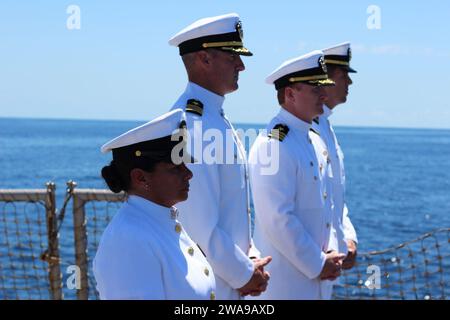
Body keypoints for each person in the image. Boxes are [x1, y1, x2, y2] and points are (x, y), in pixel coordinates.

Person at [168, 13, 271, 299]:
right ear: (204, 59)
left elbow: (231, 213)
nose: (242, 65)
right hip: (211, 289)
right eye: (232, 57)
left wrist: (250, 259)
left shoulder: (211, 116)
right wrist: (246, 274)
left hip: (227, 282)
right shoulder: (192, 123)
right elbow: (198, 224)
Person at [248, 51, 346, 299]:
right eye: (315, 89)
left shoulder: (313, 139)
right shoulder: (273, 144)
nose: (324, 95)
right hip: (285, 286)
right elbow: (278, 217)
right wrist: (318, 263)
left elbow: (328, 208)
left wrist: (332, 252)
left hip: (318, 281)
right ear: (290, 94)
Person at [93, 109, 216, 300]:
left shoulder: (158, 223)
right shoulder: (130, 240)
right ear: (140, 178)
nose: (189, 174)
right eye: (176, 168)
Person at [313, 42, 358, 270]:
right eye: (343, 75)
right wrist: (317, 261)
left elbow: (334, 196)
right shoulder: (306, 129)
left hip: (327, 261)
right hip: (304, 268)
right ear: (326, 79)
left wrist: (348, 237)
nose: (349, 82)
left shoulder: (324, 126)